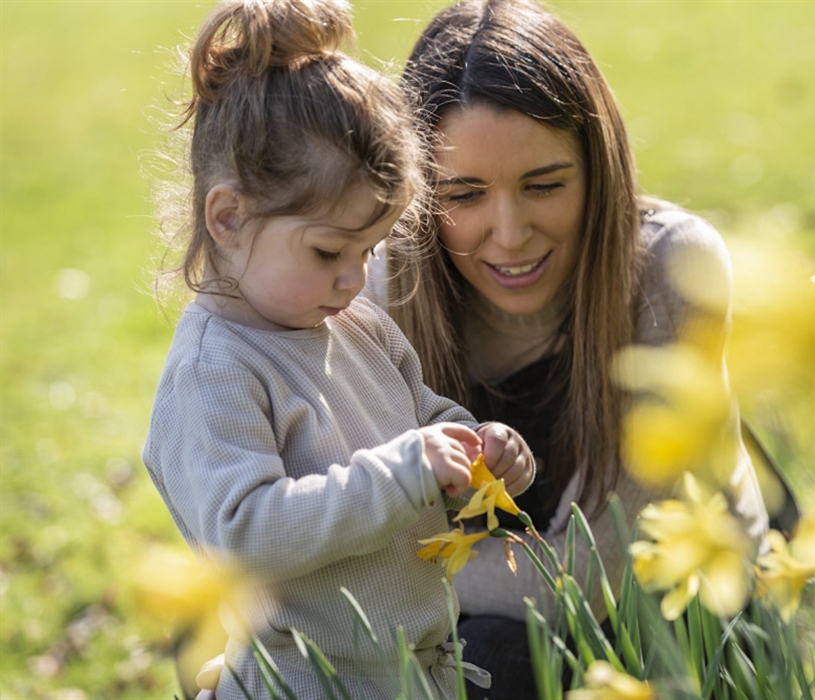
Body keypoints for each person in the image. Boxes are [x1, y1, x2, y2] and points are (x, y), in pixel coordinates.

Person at [361, 0, 772, 697]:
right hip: (474, 617)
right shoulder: (388, 280)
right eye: (463, 194)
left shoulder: (673, 270)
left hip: (672, 616)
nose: (511, 233)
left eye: (544, 185)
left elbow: (583, 581)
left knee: (488, 661)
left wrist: (382, 581)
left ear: (598, 165)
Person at [142, 1, 534, 698]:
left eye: (369, 248)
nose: (355, 277)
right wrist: (405, 471)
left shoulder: (353, 324)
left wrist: (478, 450)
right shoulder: (216, 370)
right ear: (229, 216)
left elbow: (420, 422)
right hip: (303, 680)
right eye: (329, 250)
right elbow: (244, 535)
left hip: (412, 670)